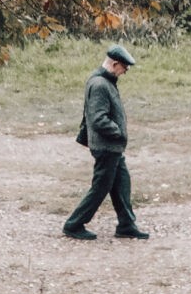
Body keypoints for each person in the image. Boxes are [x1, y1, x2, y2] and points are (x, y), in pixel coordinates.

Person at [62, 44, 150, 240]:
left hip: (112, 147)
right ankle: (73, 224)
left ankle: (126, 225)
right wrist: (117, 132)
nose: (125, 71)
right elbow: (98, 118)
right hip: (106, 146)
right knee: (100, 188)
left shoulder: (104, 81)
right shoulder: (100, 85)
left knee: (122, 184)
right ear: (115, 64)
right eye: (124, 67)